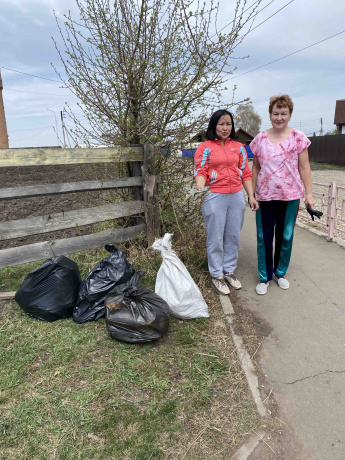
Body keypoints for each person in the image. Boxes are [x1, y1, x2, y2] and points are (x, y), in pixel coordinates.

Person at [251, 95, 314, 295]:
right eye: (276, 113)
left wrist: (309, 195)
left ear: (290, 114)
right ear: (270, 115)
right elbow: (255, 168)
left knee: (285, 236)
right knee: (264, 237)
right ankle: (264, 276)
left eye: (283, 113)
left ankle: (280, 273)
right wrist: (251, 194)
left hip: (291, 196)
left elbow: (304, 167)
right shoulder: (260, 139)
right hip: (265, 197)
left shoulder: (298, 138)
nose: (279, 117)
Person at [194, 109, 259, 296]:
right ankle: (216, 274)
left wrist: (251, 196)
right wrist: (200, 188)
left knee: (233, 236)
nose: (225, 127)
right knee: (215, 237)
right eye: (221, 123)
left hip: (236, 196)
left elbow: (245, 173)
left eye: (228, 124)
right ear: (214, 125)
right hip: (214, 196)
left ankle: (228, 271)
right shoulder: (205, 147)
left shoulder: (238, 147)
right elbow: (200, 171)